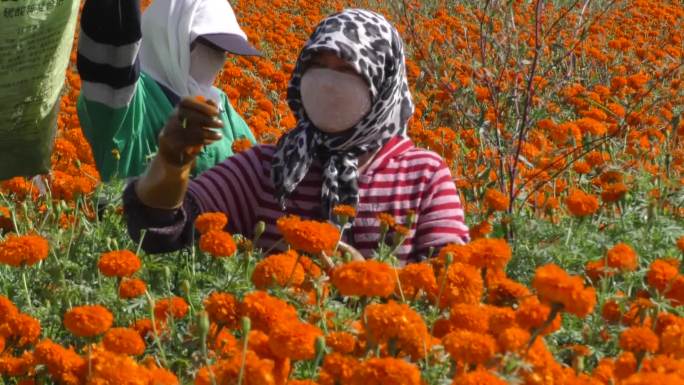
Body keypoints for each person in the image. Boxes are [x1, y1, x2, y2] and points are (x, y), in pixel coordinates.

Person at [123, 9, 469, 264]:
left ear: (384, 83)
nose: (329, 82)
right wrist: (171, 165)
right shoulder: (266, 170)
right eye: (318, 65)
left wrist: (374, 283)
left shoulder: (422, 175)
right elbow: (159, 230)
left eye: (348, 68)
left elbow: (454, 281)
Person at [76, 0, 258, 182]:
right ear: (169, 36)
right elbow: (112, 28)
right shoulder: (128, 97)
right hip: (135, 208)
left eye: (223, 51)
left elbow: (258, 168)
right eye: (211, 47)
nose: (217, 59)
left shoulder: (221, 105)